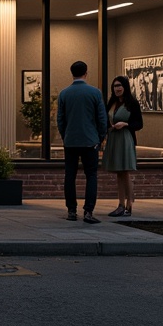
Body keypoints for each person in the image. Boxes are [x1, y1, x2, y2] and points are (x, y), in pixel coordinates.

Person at [56, 60, 108, 224]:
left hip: (71, 141)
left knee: (69, 175)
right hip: (90, 140)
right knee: (91, 175)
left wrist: (66, 136)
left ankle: (72, 210)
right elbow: (102, 118)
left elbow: (60, 119)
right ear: (86, 73)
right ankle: (88, 211)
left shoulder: (64, 94)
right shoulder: (95, 92)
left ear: (72, 73)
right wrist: (100, 137)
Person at [103, 75, 143, 217]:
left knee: (124, 171)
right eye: (115, 86)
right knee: (118, 172)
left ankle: (128, 204)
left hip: (125, 138)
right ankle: (121, 204)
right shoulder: (111, 104)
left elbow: (139, 124)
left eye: (119, 85)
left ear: (125, 87)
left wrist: (126, 124)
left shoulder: (132, 103)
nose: (117, 89)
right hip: (113, 137)